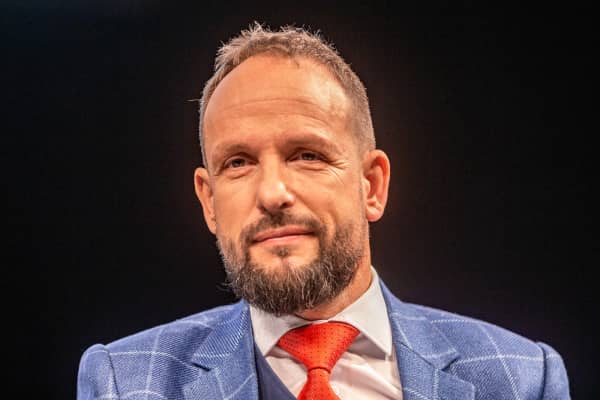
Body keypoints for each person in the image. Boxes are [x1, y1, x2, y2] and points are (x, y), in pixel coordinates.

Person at [77, 24, 570, 400]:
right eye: (238, 163)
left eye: (307, 155)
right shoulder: (125, 382)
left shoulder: (522, 378)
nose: (273, 193)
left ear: (372, 185)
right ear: (209, 201)